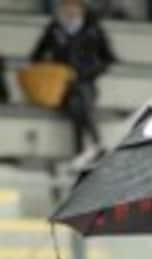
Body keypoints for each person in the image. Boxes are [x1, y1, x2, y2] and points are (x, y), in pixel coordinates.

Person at [30, 0, 116, 159]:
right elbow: (36, 56)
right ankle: (97, 142)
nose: (70, 9)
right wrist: (57, 71)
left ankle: (80, 151)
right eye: (67, 5)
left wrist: (87, 72)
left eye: (74, 6)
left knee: (78, 102)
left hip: (85, 84)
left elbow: (108, 59)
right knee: (79, 99)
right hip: (60, 87)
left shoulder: (93, 29)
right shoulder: (55, 29)